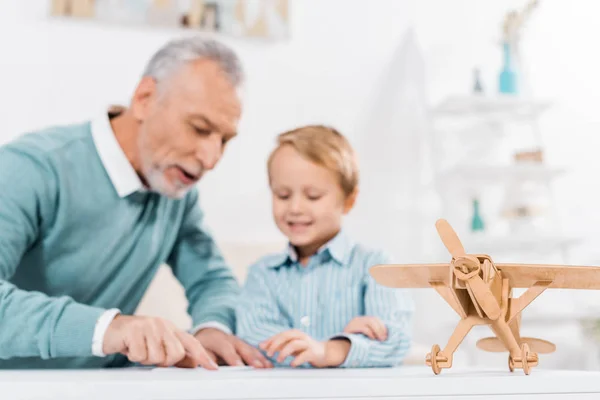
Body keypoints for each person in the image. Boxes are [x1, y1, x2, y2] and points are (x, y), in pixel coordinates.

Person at [0, 36, 271, 370]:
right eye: (200, 129)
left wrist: (211, 327)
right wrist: (111, 328)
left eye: (224, 140)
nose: (211, 158)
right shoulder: (29, 168)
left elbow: (211, 279)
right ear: (144, 99)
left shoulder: (174, 188)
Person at [235, 125, 414, 368]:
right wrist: (333, 347)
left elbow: (396, 340)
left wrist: (333, 349)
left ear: (348, 201)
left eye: (313, 196)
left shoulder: (375, 265)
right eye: (283, 195)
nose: (295, 208)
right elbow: (254, 338)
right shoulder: (262, 274)